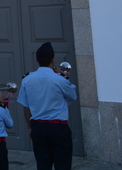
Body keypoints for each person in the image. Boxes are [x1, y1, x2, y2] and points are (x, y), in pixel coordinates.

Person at [17, 42, 77, 170]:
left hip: (39, 127)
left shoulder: (27, 79)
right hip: (58, 128)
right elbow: (73, 95)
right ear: (53, 60)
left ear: (37, 60)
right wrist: (64, 75)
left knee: (43, 165)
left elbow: (25, 106)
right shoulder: (60, 79)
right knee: (63, 165)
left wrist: (30, 127)